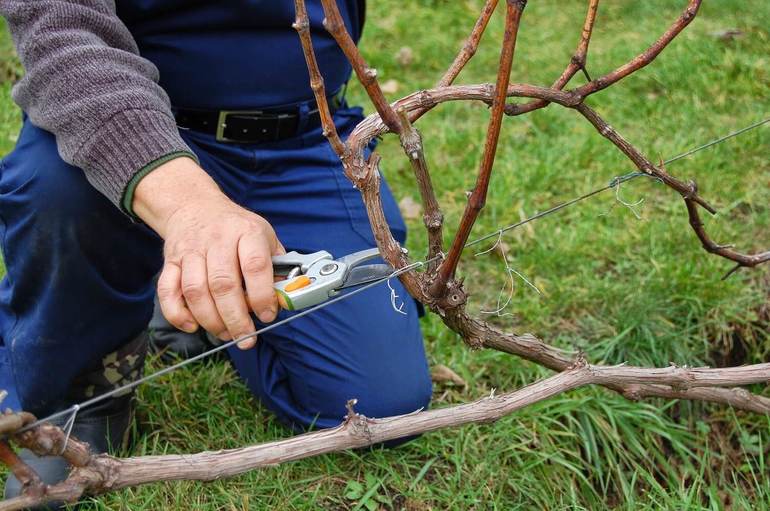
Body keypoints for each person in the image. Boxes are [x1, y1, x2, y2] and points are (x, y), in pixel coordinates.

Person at [0, 0, 432, 503]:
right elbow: (62, 37)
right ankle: (78, 394)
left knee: (383, 406)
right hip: (123, 125)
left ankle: (199, 297)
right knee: (56, 191)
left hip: (305, 141)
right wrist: (187, 206)